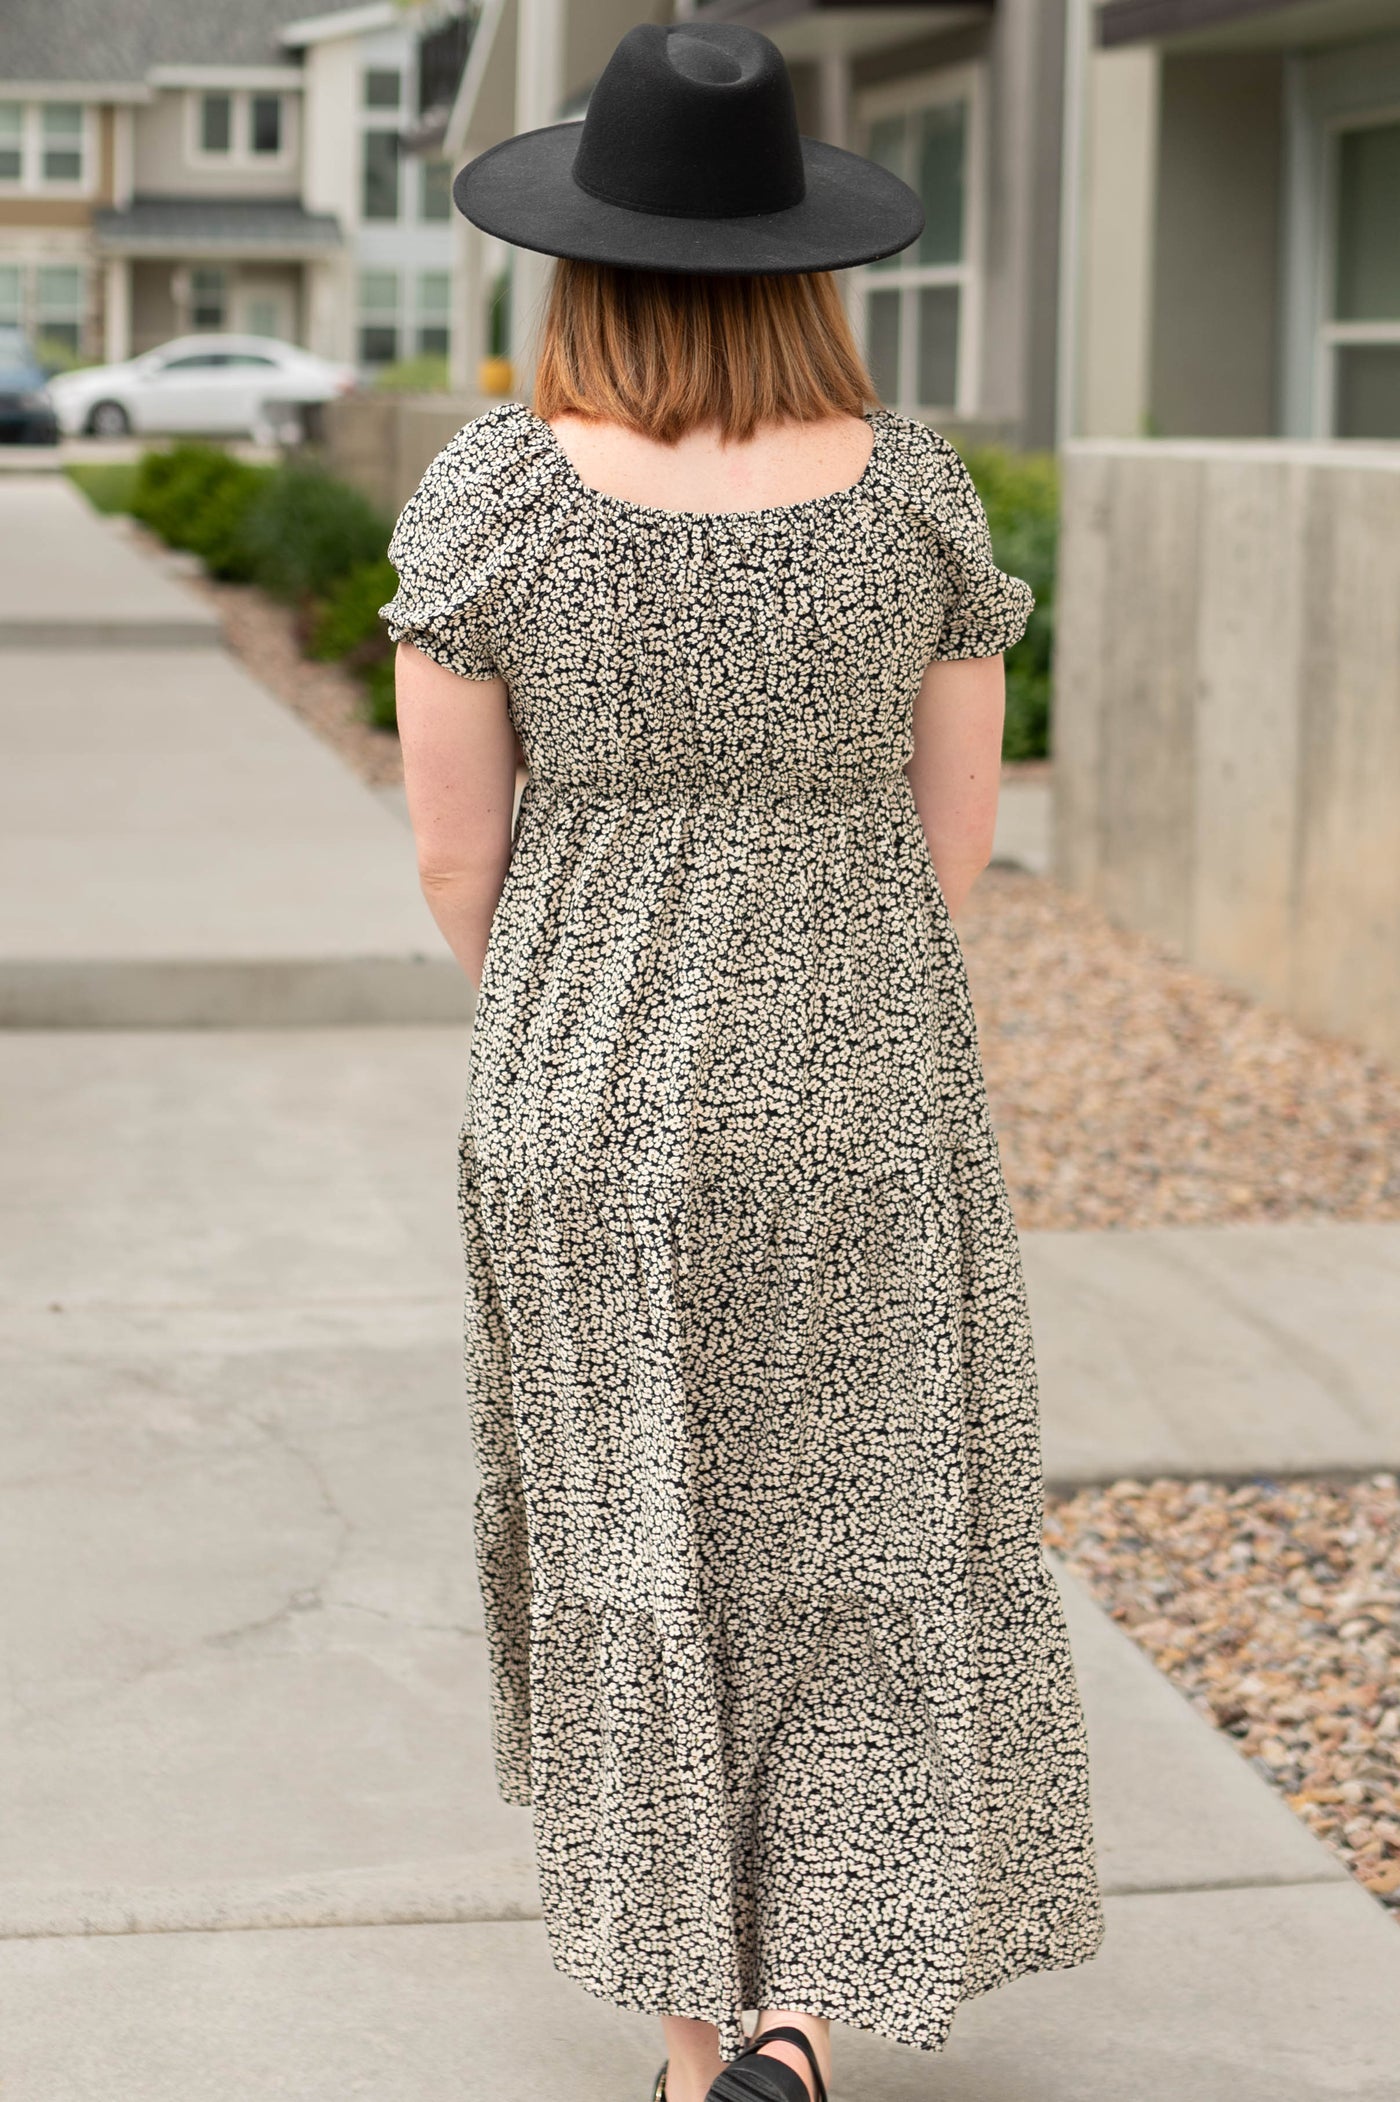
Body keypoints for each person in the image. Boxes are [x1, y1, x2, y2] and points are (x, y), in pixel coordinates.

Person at [379, 22, 1106, 2102]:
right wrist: (832, 988)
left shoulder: (494, 491)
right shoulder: (914, 492)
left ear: (577, 260)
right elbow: (953, 838)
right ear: (805, 260)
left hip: (587, 1086)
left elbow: (455, 849)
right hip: (867, 1070)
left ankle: (694, 2041)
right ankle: (811, 2003)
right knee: (867, 1521)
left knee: (643, 1528)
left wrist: (568, 1007)